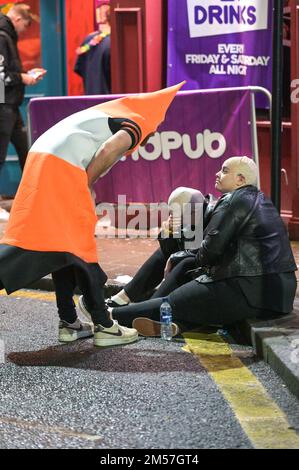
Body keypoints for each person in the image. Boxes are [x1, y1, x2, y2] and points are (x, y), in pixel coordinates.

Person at [0, 81, 185, 347]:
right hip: (60, 167)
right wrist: (86, 183)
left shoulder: (114, 112)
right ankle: (104, 325)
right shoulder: (139, 120)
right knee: (79, 247)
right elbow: (110, 149)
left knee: (62, 247)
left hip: (43, 159)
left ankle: (69, 322)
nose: (153, 135)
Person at [86, 156, 297, 337]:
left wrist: (180, 258)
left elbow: (208, 252)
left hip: (250, 290)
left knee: (173, 301)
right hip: (277, 295)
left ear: (240, 180)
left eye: (224, 171)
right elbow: (199, 249)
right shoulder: (257, 199)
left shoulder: (232, 201)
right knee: (188, 292)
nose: (217, 174)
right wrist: (175, 243)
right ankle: (176, 324)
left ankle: (106, 317)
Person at [107, 187, 208, 308]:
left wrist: (175, 256)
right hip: (194, 259)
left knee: (183, 262)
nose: (172, 216)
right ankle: (126, 296)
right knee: (163, 254)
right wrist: (169, 231)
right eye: (171, 213)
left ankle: (146, 309)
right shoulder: (193, 218)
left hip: (209, 270)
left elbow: (203, 251)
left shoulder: (214, 217)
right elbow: (168, 250)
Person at [0, 3, 41, 219]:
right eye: (23, 27)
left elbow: (8, 70)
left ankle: (31, 199)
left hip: (11, 105)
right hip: (3, 105)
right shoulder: (2, 36)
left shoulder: (7, 36)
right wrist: (23, 78)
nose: (22, 33)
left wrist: (26, 73)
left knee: (27, 151)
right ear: (16, 20)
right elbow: (1, 75)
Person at [74, 1, 111, 94]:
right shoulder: (114, 44)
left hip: (90, 97)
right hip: (109, 101)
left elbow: (79, 68)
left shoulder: (89, 39)